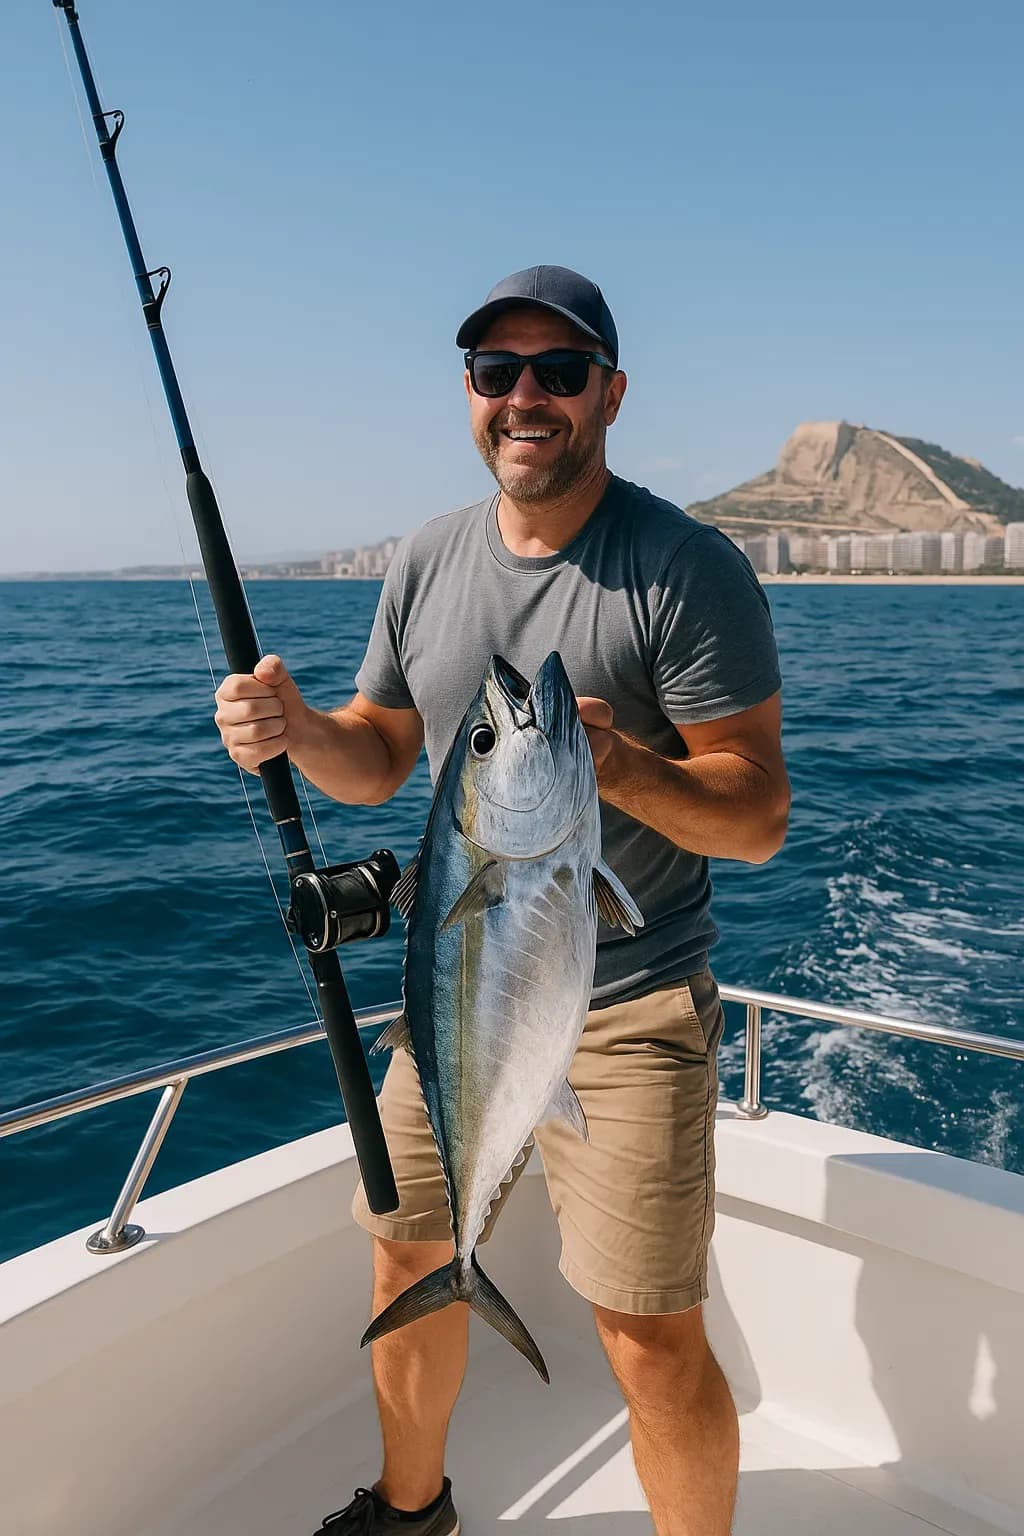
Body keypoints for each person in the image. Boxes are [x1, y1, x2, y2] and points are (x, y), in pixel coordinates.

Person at [214, 265, 790, 1536]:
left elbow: (754, 817)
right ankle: (411, 1509)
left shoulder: (681, 568)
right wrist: (299, 727)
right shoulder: (424, 559)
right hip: (460, 989)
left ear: (611, 395)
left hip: (631, 1008)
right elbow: (381, 753)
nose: (524, 396)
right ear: (468, 399)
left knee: (646, 1337)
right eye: (495, 372)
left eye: (559, 372)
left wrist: (621, 767)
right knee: (408, 1255)